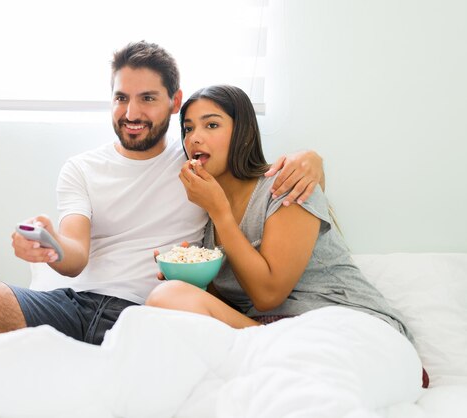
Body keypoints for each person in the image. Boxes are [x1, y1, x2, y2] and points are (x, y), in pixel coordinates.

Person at [0, 42, 324, 345]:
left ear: (174, 102)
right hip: (72, 305)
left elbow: (256, 175)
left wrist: (312, 159)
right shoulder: (81, 168)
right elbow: (75, 255)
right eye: (121, 98)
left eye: (147, 98)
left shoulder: (198, 163)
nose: (131, 113)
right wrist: (53, 248)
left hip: (150, 315)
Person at [145, 84, 413, 340]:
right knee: (167, 296)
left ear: (245, 134)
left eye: (211, 125)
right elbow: (235, 301)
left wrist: (220, 213)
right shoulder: (207, 225)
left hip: (348, 322)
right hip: (273, 333)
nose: (194, 138)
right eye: (187, 128)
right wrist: (190, 276)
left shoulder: (286, 185)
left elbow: (268, 295)